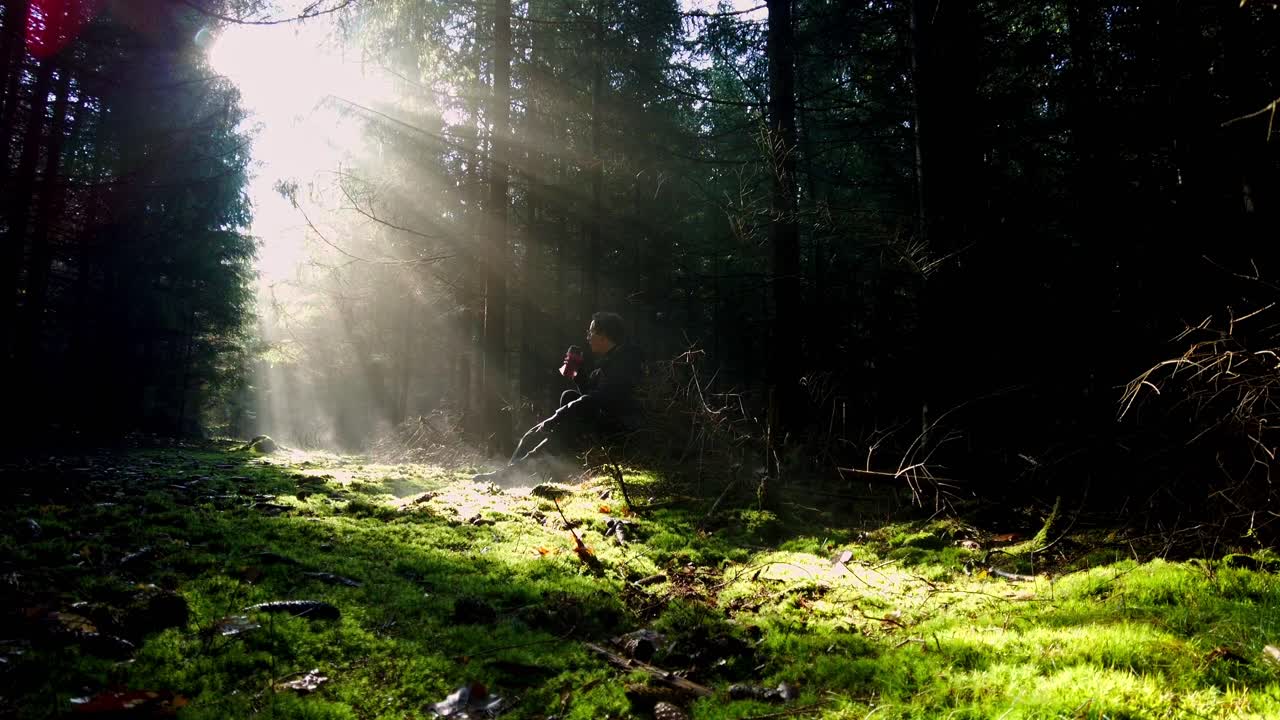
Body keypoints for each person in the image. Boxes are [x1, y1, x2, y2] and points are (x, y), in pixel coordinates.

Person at [473, 312, 643, 483]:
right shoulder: (610, 361)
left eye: (591, 332)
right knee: (543, 424)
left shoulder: (624, 363)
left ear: (604, 335)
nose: (588, 337)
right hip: (604, 422)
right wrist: (578, 374)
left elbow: (597, 399)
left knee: (554, 431)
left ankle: (511, 477)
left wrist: (555, 418)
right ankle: (510, 475)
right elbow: (592, 394)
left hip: (618, 431)